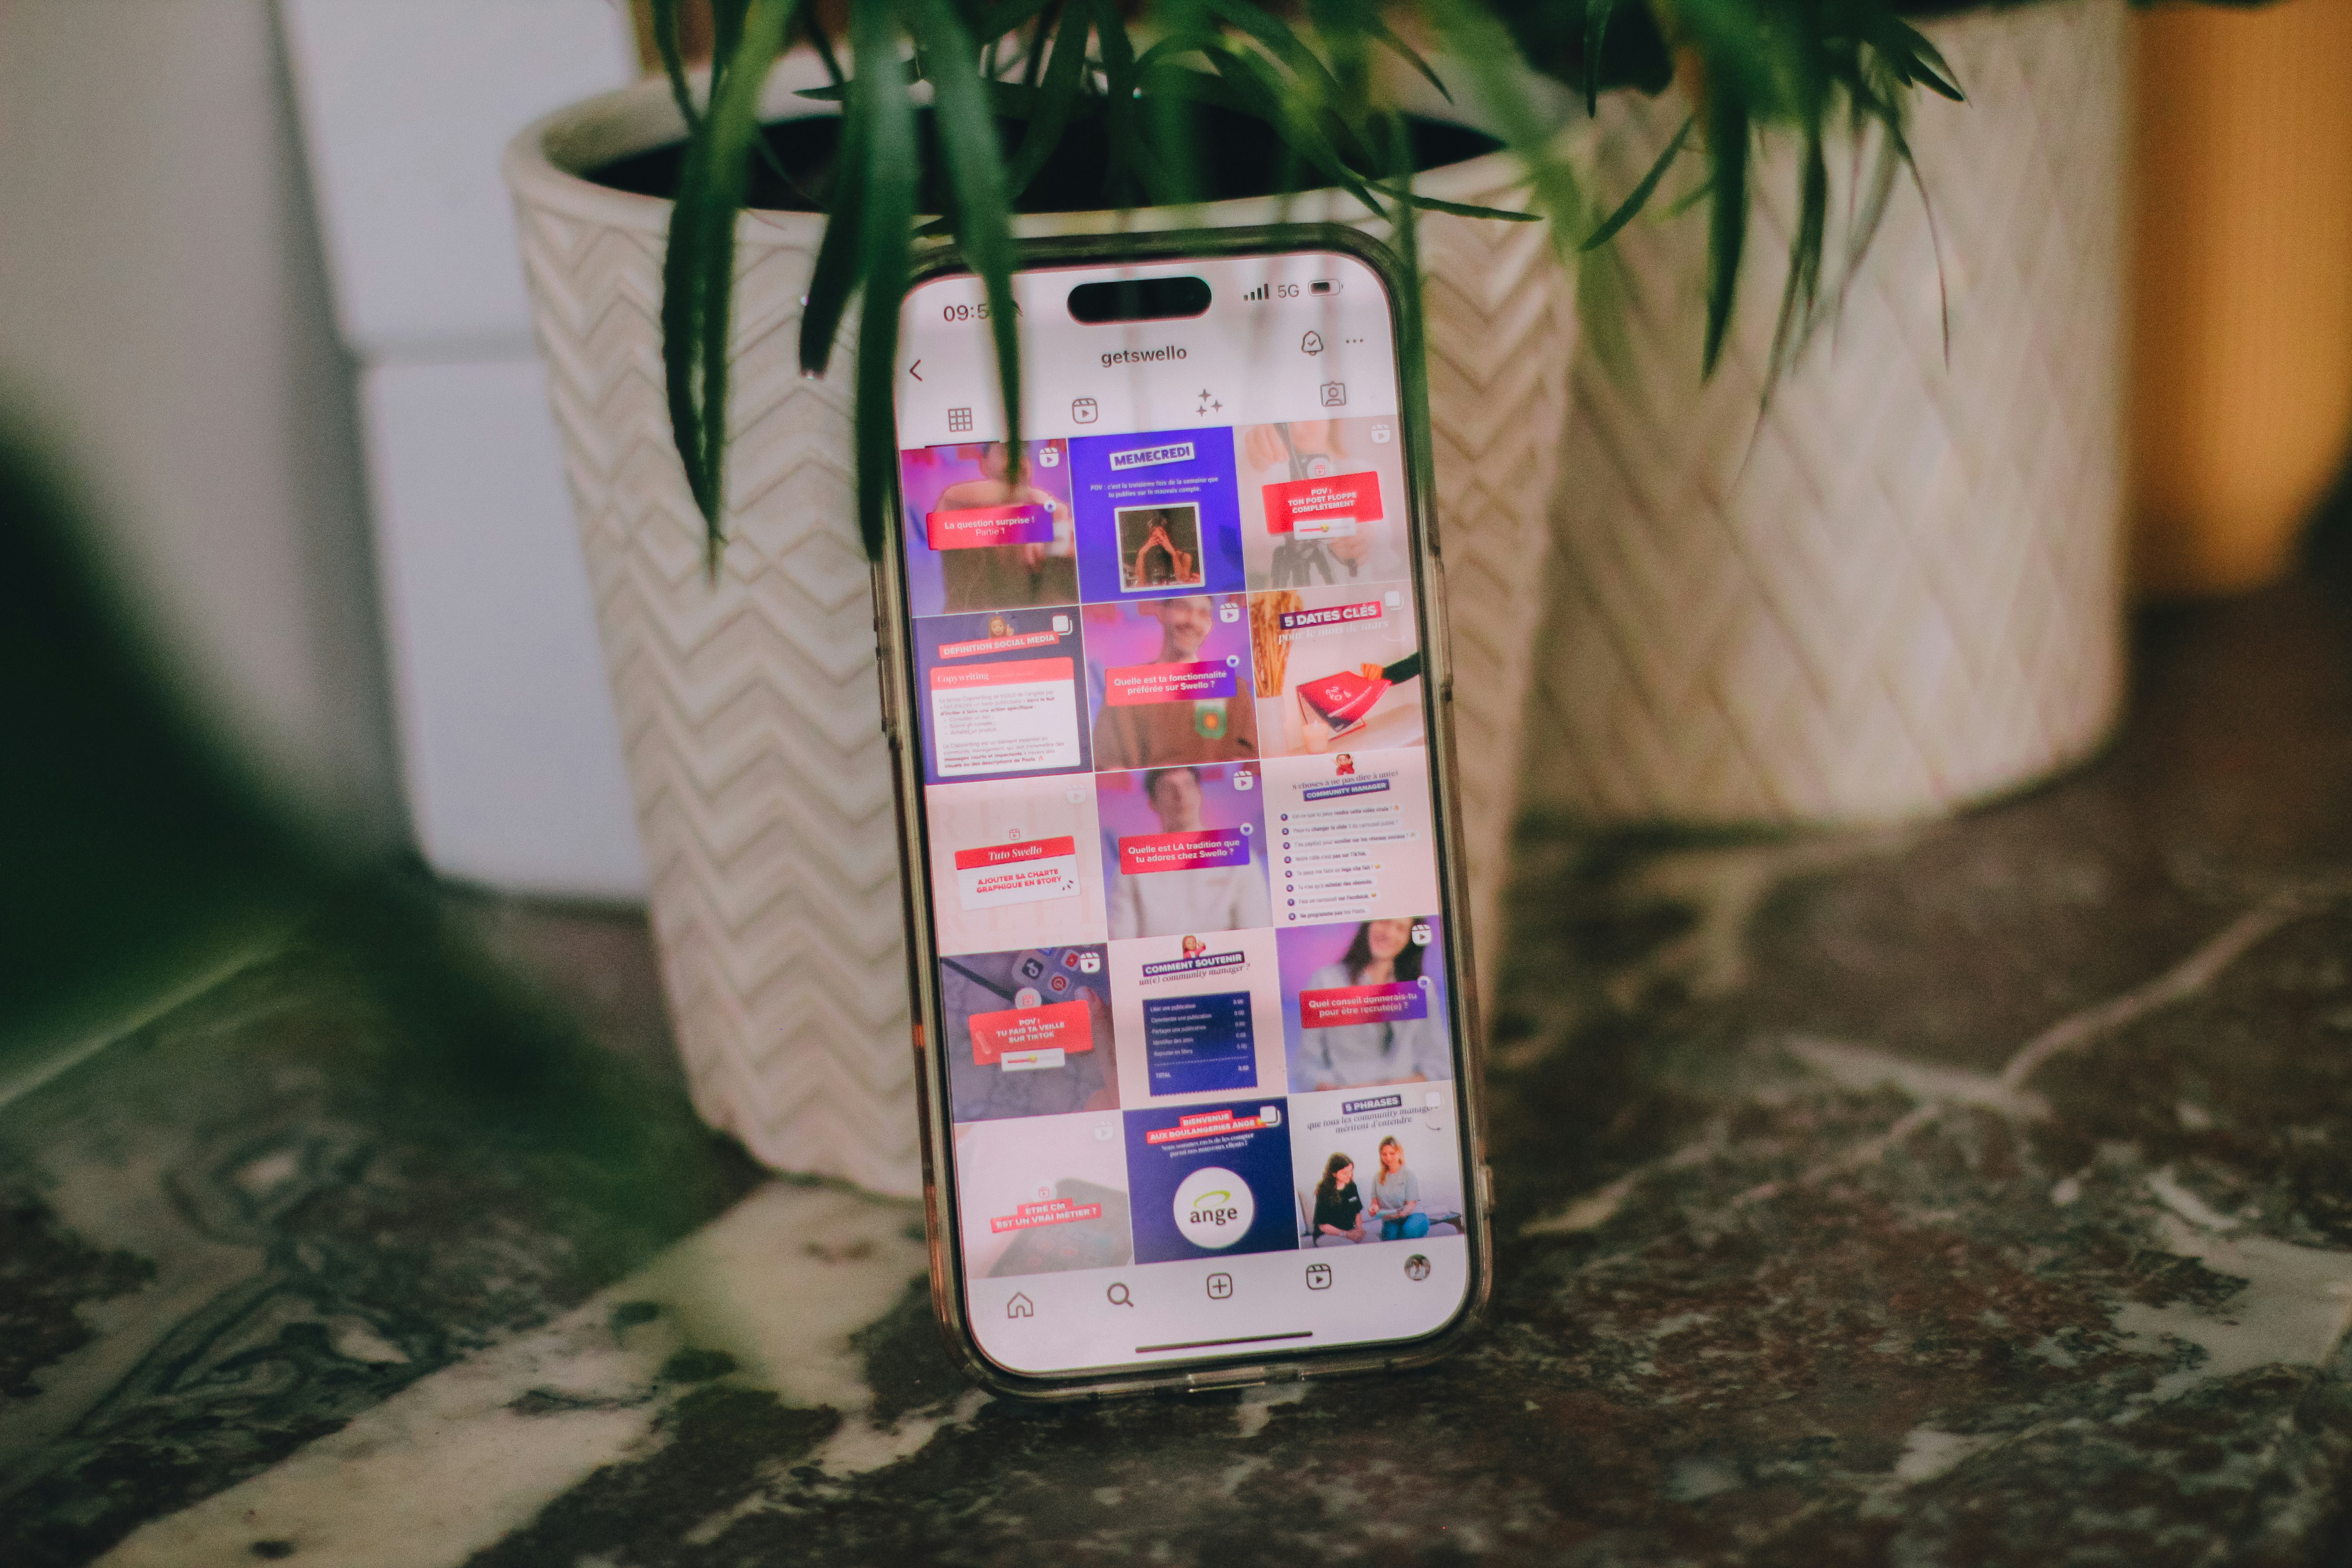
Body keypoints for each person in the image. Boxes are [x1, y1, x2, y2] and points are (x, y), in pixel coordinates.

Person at [1091, 596, 1259, 770]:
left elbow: (1248, 764)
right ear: (1162, 613)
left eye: (1203, 613)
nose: (1192, 621)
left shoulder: (1233, 688)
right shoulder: (1123, 687)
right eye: (1182, 609)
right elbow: (1108, 768)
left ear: (1210, 624)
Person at [1106, 766, 1272, 939]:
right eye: (1168, 788)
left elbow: (1257, 937)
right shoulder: (1131, 866)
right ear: (1153, 803)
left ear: (1200, 794)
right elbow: (1122, 942)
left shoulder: (1239, 855)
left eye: (1188, 785)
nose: (1181, 796)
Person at [1293, 917, 1450, 1089]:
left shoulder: (1422, 989)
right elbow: (1305, 1069)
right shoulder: (1325, 980)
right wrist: (1345, 1095)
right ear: (1368, 924)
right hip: (1343, 1106)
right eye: (1384, 921)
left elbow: (1438, 1066)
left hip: (1406, 1105)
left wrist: (1391, 1093)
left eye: (1401, 928)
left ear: (1410, 939)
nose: (1389, 933)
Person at [936, 444, 1076, 612]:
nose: (1018, 460)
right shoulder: (958, 505)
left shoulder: (1047, 519)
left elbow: (1058, 599)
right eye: (1006, 452)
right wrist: (1032, 498)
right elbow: (951, 497)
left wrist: (1055, 551)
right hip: (968, 630)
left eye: (1024, 452)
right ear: (984, 463)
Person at [1368, 1135, 1428, 1241]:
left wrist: (1403, 1213)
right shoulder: (1377, 1177)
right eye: (1384, 1154)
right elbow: (1375, 1203)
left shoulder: (1409, 1174)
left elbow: (1411, 1205)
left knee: (1408, 1231)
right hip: (1391, 1220)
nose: (1388, 1158)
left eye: (1392, 1153)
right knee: (1390, 1238)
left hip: (1414, 1216)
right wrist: (1374, 1209)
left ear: (1399, 1153)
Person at [1311, 1152, 1367, 1244]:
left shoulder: (1352, 1186)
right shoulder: (1324, 1190)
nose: (1350, 1175)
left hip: (1349, 1230)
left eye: (1351, 1171)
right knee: (1349, 1247)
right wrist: (1347, 1235)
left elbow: (1357, 1213)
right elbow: (1323, 1226)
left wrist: (1359, 1230)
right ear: (1334, 1174)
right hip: (1327, 1235)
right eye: (1345, 1173)